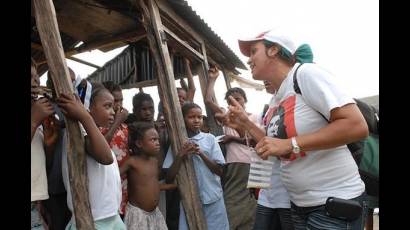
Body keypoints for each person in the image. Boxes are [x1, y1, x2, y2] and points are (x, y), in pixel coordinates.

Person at [224, 29, 369, 230]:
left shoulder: (305, 74)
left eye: (253, 51)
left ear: (273, 50)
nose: (249, 60)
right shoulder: (277, 98)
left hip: (332, 202)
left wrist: (291, 144)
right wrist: (245, 123)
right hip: (299, 205)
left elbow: (356, 125)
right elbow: (273, 146)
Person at [57, 83, 125, 229]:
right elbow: (106, 158)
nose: (113, 111)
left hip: (111, 216)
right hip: (92, 220)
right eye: (107, 106)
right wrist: (85, 117)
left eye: (112, 107)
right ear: (87, 107)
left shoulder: (94, 134)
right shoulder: (77, 133)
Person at [204, 68, 257, 230]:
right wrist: (213, 79)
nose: (234, 103)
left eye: (238, 99)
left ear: (245, 100)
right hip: (234, 163)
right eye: (230, 101)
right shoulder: (227, 115)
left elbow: (256, 141)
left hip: (249, 162)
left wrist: (233, 138)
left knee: (242, 199)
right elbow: (208, 101)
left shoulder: (253, 117)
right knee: (236, 198)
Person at [163, 102, 229, 230]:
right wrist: (180, 155)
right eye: (191, 117)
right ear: (182, 119)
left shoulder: (210, 139)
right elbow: (169, 178)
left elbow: (220, 170)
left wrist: (201, 153)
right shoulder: (177, 143)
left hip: (213, 197)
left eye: (199, 117)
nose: (196, 120)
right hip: (189, 200)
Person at [253, 79, 295, 230]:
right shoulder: (268, 107)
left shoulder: (295, 104)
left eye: (268, 77)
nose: (265, 81)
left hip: (288, 193)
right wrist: (257, 183)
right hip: (267, 191)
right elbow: (264, 142)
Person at [120, 122, 177, 230]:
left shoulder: (154, 161)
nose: (157, 143)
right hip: (138, 215)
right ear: (139, 143)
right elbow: (115, 176)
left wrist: (171, 186)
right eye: (153, 140)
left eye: (158, 139)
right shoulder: (132, 162)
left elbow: (151, 185)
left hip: (155, 214)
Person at [31, 58, 57, 230]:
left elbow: (41, 164)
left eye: (36, 77)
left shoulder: (35, 114)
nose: (36, 81)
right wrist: (34, 121)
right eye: (30, 77)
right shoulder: (35, 116)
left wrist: (48, 145)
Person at [101, 81, 130, 218]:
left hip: (124, 187)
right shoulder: (98, 127)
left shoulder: (125, 128)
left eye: (121, 100)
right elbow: (101, 147)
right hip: (106, 188)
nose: (119, 105)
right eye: (115, 101)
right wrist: (117, 121)